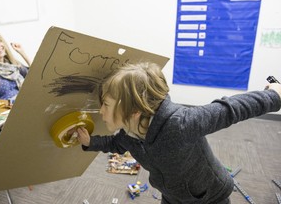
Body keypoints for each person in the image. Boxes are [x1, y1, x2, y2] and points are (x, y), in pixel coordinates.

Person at [68, 62, 281, 204]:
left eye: (105, 104)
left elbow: (231, 109)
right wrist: (90, 142)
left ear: (133, 110)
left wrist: (275, 95)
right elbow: (115, 144)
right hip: (171, 195)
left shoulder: (179, 124)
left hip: (208, 196)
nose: (100, 111)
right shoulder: (129, 132)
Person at [0, 30, 31, 100]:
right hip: (12, 109)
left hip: (28, 101)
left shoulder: (12, 64)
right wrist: (17, 97)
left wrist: (22, 53)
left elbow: (36, 75)